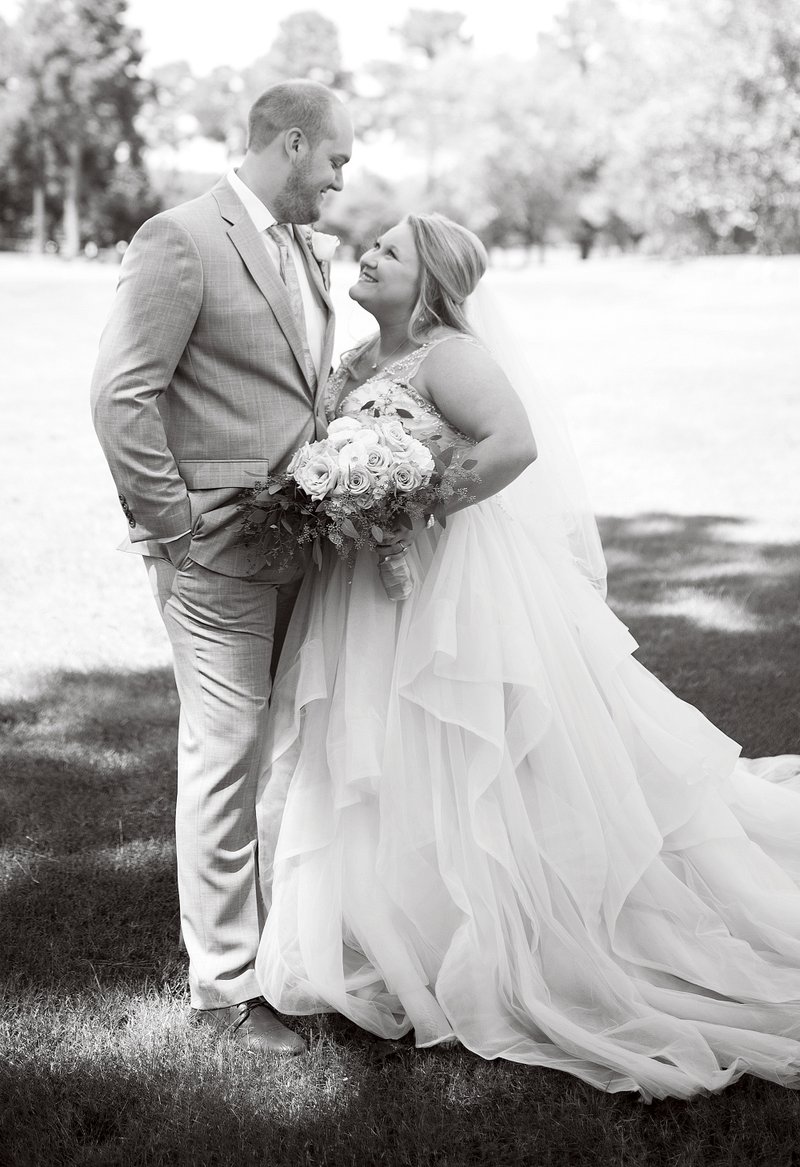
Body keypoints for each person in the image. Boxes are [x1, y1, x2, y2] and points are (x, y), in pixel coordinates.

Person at [254, 212, 800, 1100]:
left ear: (427, 283)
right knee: (381, 748)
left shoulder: (448, 355)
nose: (369, 253)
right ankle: (402, 924)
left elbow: (514, 444)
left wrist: (413, 498)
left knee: (477, 746)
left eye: (389, 251)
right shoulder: (355, 358)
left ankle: (512, 925)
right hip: (366, 587)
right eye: (375, 244)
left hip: (450, 576)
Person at [91, 79, 353, 1056]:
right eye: (334, 161)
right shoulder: (179, 237)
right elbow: (122, 395)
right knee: (222, 762)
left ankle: (289, 950)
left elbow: (298, 392)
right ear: (290, 144)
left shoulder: (303, 247)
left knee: (283, 755)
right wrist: (171, 526)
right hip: (212, 553)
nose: (338, 182)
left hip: (305, 543)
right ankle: (226, 992)